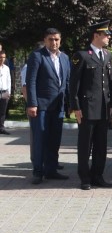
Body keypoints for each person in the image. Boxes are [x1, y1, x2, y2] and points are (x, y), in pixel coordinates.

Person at [69, 20, 112, 190]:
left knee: (101, 145)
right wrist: (76, 107)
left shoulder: (107, 55)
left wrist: (111, 106)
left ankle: (98, 175)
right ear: (96, 35)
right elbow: (74, 84)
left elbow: (110, 83)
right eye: (106, 34)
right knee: (85, 145)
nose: (108, 37)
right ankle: (85, 177)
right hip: (87, 108)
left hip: (103, 108)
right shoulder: (82, 55)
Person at [26, 28, 70, 184]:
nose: (54, 42)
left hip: (58, 106)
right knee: (40, 139)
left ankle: (51, 170)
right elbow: (31, 81)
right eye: (51, 39)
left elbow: (67, 82)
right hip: (41, 106)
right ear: (45, 40)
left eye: (57, 39)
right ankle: (38, 172)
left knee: (54, 139)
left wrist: (69, 104)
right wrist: (32, 103)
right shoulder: (37, 56)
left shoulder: (64, 58)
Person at [0, 50, 11, 135]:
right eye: (1, 57)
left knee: (3, 111)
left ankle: (1, 128)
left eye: (4, 57)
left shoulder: (6, 68)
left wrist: (9, 91)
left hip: (4, 92)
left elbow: (8, 80)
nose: (2, 59)